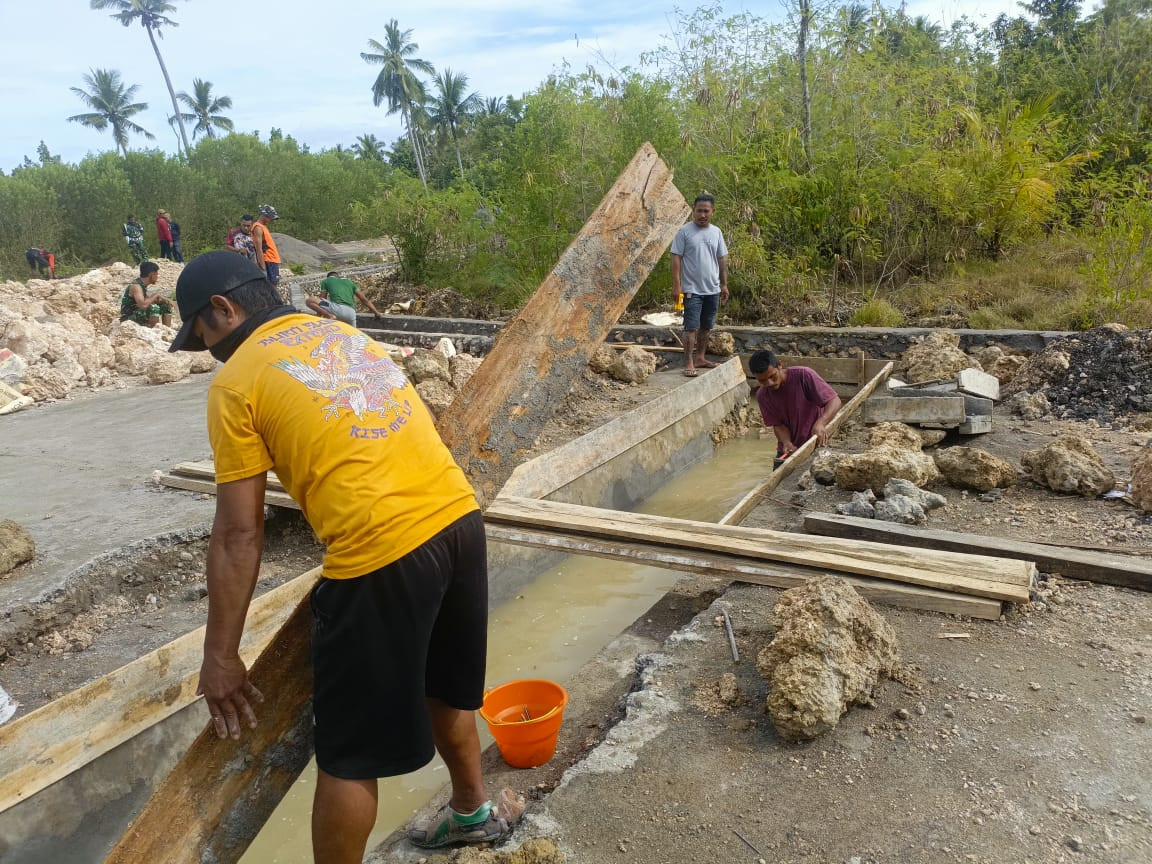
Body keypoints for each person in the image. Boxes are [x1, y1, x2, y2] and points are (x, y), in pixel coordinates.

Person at [167, 251, 516, 863]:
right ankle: (471, 812)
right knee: (447, 691)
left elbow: (238, 534)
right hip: (459, 520)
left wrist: (220, 655)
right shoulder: (339, 331)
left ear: (223, 309)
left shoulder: (236, 380)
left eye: (204, 338)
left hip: (380, 556)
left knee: (350, 754)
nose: (210, 355)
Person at [749, 350, 842, 463]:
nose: (769, 383)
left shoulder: (803, 375)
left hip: (815, 441)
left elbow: (834, 401)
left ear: (779, 365)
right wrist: (786, 442)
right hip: (790, 450)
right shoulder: (762, 395)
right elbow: (779, 425)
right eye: (762, 381)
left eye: (772, 376)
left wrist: (821, 422)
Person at [671, 194, 728, 377]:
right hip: (692, 290)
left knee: (706, 326)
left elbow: (722, 259)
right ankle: (688, 361)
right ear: (693, 210)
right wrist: (676, 285)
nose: (702, 215)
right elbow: (676, 258)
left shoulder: (716, 232)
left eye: (706, 211)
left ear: (713, 212)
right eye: (699, 211)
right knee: (691, 327)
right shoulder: (684, 232)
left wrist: (724, 284)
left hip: (712, 289)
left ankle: (701, 358)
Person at [306, 271, 382, 325]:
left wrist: (319, 319)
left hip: (338, 310)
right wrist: (376, 313)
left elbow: (322, 300)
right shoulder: (349, 282)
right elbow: (364, 300)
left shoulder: (326, 281)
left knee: (310, 300)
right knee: (352, 337)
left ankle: (330, 316)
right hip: (351, 314)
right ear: (338, 276)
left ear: (329, 277)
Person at [119, 261, 173, 327]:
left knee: (165, 306)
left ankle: (167, 331)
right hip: (128, 318)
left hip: (137, 313)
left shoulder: (142, 285)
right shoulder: (136, 286)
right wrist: (156, 295)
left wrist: (165, 301)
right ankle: (153, 332)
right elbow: (143, 305)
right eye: (156, 274)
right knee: (153, 308)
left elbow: (147, 300)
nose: (157, 277)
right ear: (152, 275)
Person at [251, 204, 283, 290]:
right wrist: (263, 267)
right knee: (272, 286)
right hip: (268, 260)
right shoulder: (258, 228)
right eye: (270, 217)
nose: (272, 220)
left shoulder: (263, 227)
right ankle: (273, 303)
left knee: (274, 284)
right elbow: (259, 249)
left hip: (272, 259)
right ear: (264, 215)